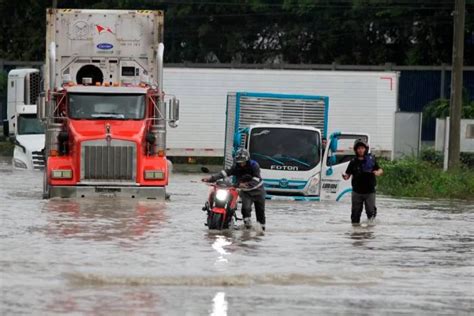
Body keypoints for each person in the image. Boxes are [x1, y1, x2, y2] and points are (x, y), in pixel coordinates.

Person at [202, 148, 266, 230]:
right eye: (239, 162)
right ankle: (248, 228)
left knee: (260, 212)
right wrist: (211, 178)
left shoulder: (254, 165)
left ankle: (261, 230)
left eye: (243, 162)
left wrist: (245, 184)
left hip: (258, 191)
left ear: (247, 159)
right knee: (245, 209)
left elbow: (256, 179)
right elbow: (224, 173)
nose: (241, 164)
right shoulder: (235, 166)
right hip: (246, 192)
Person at [342, 139, 383, 224]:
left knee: (370, 212)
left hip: (370, 191)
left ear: (366, 149)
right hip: (357, 192)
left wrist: (378, 172)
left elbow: (380, 170)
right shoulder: (353, 162)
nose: (360, 150)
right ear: (356, 150)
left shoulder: (371, 160)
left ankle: (370, 231)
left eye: (362, 148)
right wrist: (345, 177)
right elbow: (348, 175)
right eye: (359, 148)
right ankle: (356, 231)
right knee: (355, 215)